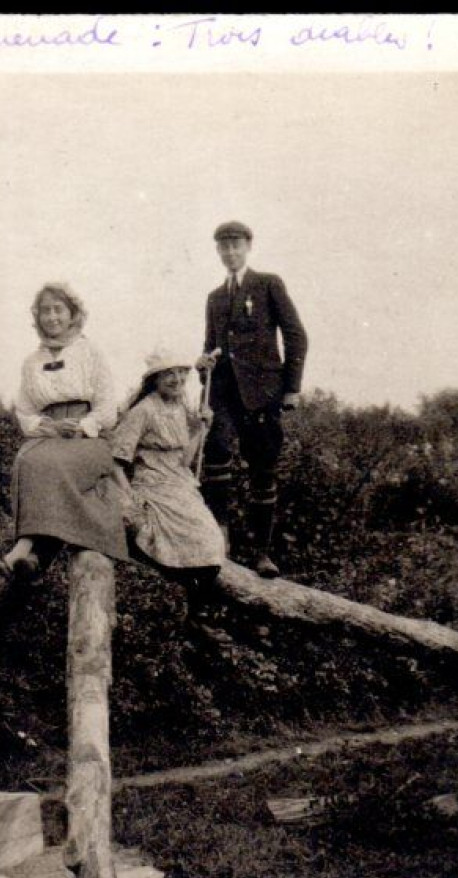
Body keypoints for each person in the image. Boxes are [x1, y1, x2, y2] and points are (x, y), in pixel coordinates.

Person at [196, 220, 308, 578]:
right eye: (223, 247)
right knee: (215, 459)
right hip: (223, 394)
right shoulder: (215, 297)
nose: (230, 253)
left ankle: (262, 553)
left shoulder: (267, 284)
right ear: (218, 252)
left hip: (263, 394)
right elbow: (209, 345)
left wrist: (291, 387)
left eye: (236, 246)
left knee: (263, 470)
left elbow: (296, 336)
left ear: (248, 246)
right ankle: (220, 541)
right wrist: (204, 363)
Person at [0, 282, 129, 579]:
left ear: (72, 314)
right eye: (45, 311)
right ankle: (35, 558)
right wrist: (47, 426)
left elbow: (108, 407)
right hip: (50, 436)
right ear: (37, 316)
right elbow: (25, 411)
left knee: (48, 463)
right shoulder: (32, 362)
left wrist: (83, 425)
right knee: (27, 461)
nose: (52, 317)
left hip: (89, 439)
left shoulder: (90, 352)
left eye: (58, 310)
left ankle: (25, 548)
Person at [109, 348, 226, 626]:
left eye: (180, 373)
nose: (176, 379)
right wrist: (129, 500)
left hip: (180, 483)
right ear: (155, 379)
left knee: (213, 541)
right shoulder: (143, 410)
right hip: (152, 485)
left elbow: (185, 459)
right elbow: (115, 461)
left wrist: (201, 429)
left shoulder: (180, 409)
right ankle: (197, 614)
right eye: (168, 374)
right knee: (171, 545)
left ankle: (197, 613)